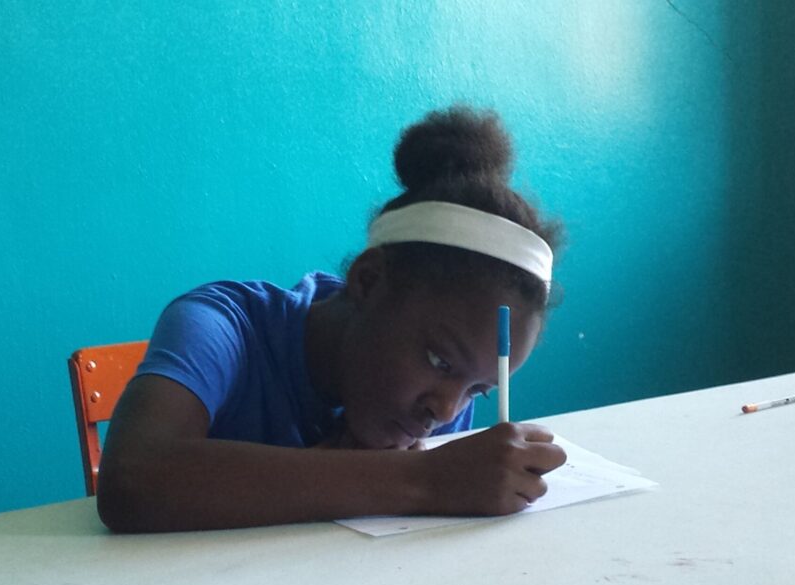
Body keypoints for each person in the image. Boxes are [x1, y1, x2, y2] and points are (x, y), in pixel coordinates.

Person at [97, 106, 567, 532]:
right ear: (367, 281)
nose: (445, 411)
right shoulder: (221, 325)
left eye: (477, 390)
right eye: (438, 361)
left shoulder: (440, 390)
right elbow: (133, 479)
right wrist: (422, 479)